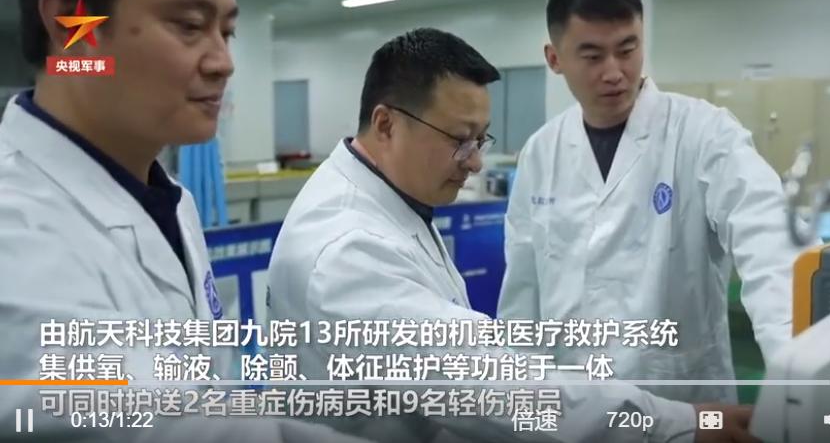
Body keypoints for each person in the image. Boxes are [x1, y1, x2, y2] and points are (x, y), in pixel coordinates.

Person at [268, 27, 758, 443]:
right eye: (460, 140)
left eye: (480, 139)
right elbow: (487, 382)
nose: (476, 162)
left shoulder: (387, 197)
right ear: (386, 124)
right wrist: (677, 424)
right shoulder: (348, 250)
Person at [0, 0, 367, 442]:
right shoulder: (14, 230)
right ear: (72, 23)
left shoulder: (173, 202)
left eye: (227, 32)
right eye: (190, 26)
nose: (224, 62)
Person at [497, 0, 801, 405]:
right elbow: (523, 288)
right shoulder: (541, 152)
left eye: (627, 50)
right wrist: (521, 392)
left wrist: (797, 367)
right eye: (592, 56)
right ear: (554, 58)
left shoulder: (704, 133)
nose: (614, 73)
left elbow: (770, 241)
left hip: (682, 394)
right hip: (575, 401)